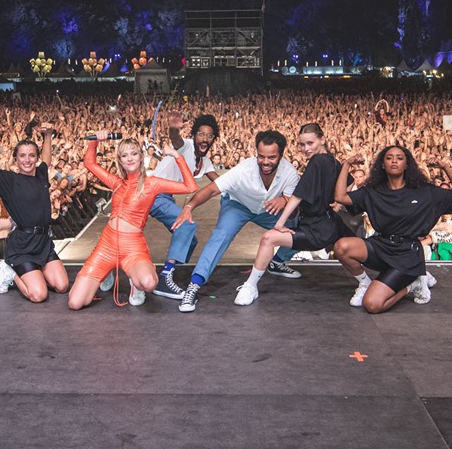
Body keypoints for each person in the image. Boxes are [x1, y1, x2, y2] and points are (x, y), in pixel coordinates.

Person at [171, 130, 299, 313]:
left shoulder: (290, 172)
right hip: (237, 205)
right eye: (261, 156)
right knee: (220, 236)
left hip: (267, 210)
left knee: (301, 228)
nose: (265, 162)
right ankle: (194, 285)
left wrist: (285, 200)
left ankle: (277, 262)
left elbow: (293, 203)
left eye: (271, 157)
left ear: (281, 155)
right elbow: (211, 190)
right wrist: (189, 207)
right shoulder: (244, 169)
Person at [67, 130, 196, 309]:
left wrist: (176, 155)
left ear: (141, 156)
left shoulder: (153, 183)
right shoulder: (117, 183)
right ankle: (108, 270)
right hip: (107, 245)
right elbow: (89, 163)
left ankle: (136, 284)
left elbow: (190, 186)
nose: (129, 158)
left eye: (134, 153)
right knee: (75, 303)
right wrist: (95, 140)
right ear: (120, 160)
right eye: (124, 155)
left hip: (133, 248)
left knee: (149, 283)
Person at [333, 146, 452, 313]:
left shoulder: (424, 191)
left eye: (399, 158)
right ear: (382, 164)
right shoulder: (373, 191)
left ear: (407, 164)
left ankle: (413, 285)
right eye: (389, 158)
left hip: (407, 255)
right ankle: (364, 282)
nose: (394, 160)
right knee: (341, 247)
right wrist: (347, 164)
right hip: (381, 245)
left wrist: (445, 167)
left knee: (372, 305)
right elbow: (340, 197)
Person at [234, 123, 351, 306]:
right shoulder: (333, 162)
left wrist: (280, 224)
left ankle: (250, 287)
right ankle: (373, 282)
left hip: (316, 228)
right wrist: (335, 207)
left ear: (323, 139)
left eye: (310, 143)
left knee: (268, 238)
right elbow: (346, 186)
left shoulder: (317, 161)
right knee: (364, 252)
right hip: (330, 222)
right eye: (302, 145)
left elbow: (297, 196)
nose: (306, 149)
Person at [122, 112, 220, 300]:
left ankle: (168, 271)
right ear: (194, 135)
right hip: (152, 194)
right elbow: (175, 138)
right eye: (201, 134)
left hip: (165, 198)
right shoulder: (186, 146)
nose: (204, 138)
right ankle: (166, 278)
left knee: (191, 241)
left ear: (213, 139)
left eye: (209, 135)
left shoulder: (205, 162)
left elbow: (222, 184)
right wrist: (173, 128)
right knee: (187, 224)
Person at [0, 119, 69, 303]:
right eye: (22, 156)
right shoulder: (9, 180)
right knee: (39, 295)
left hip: (43, 242)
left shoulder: (41, 174)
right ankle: (10, 272)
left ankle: (34, 273)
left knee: (62, 287)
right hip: (23, 246)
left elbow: (47, 160)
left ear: (36, 158)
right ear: (16, 158)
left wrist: (48, 135)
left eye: (31, 155)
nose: (27, 160)